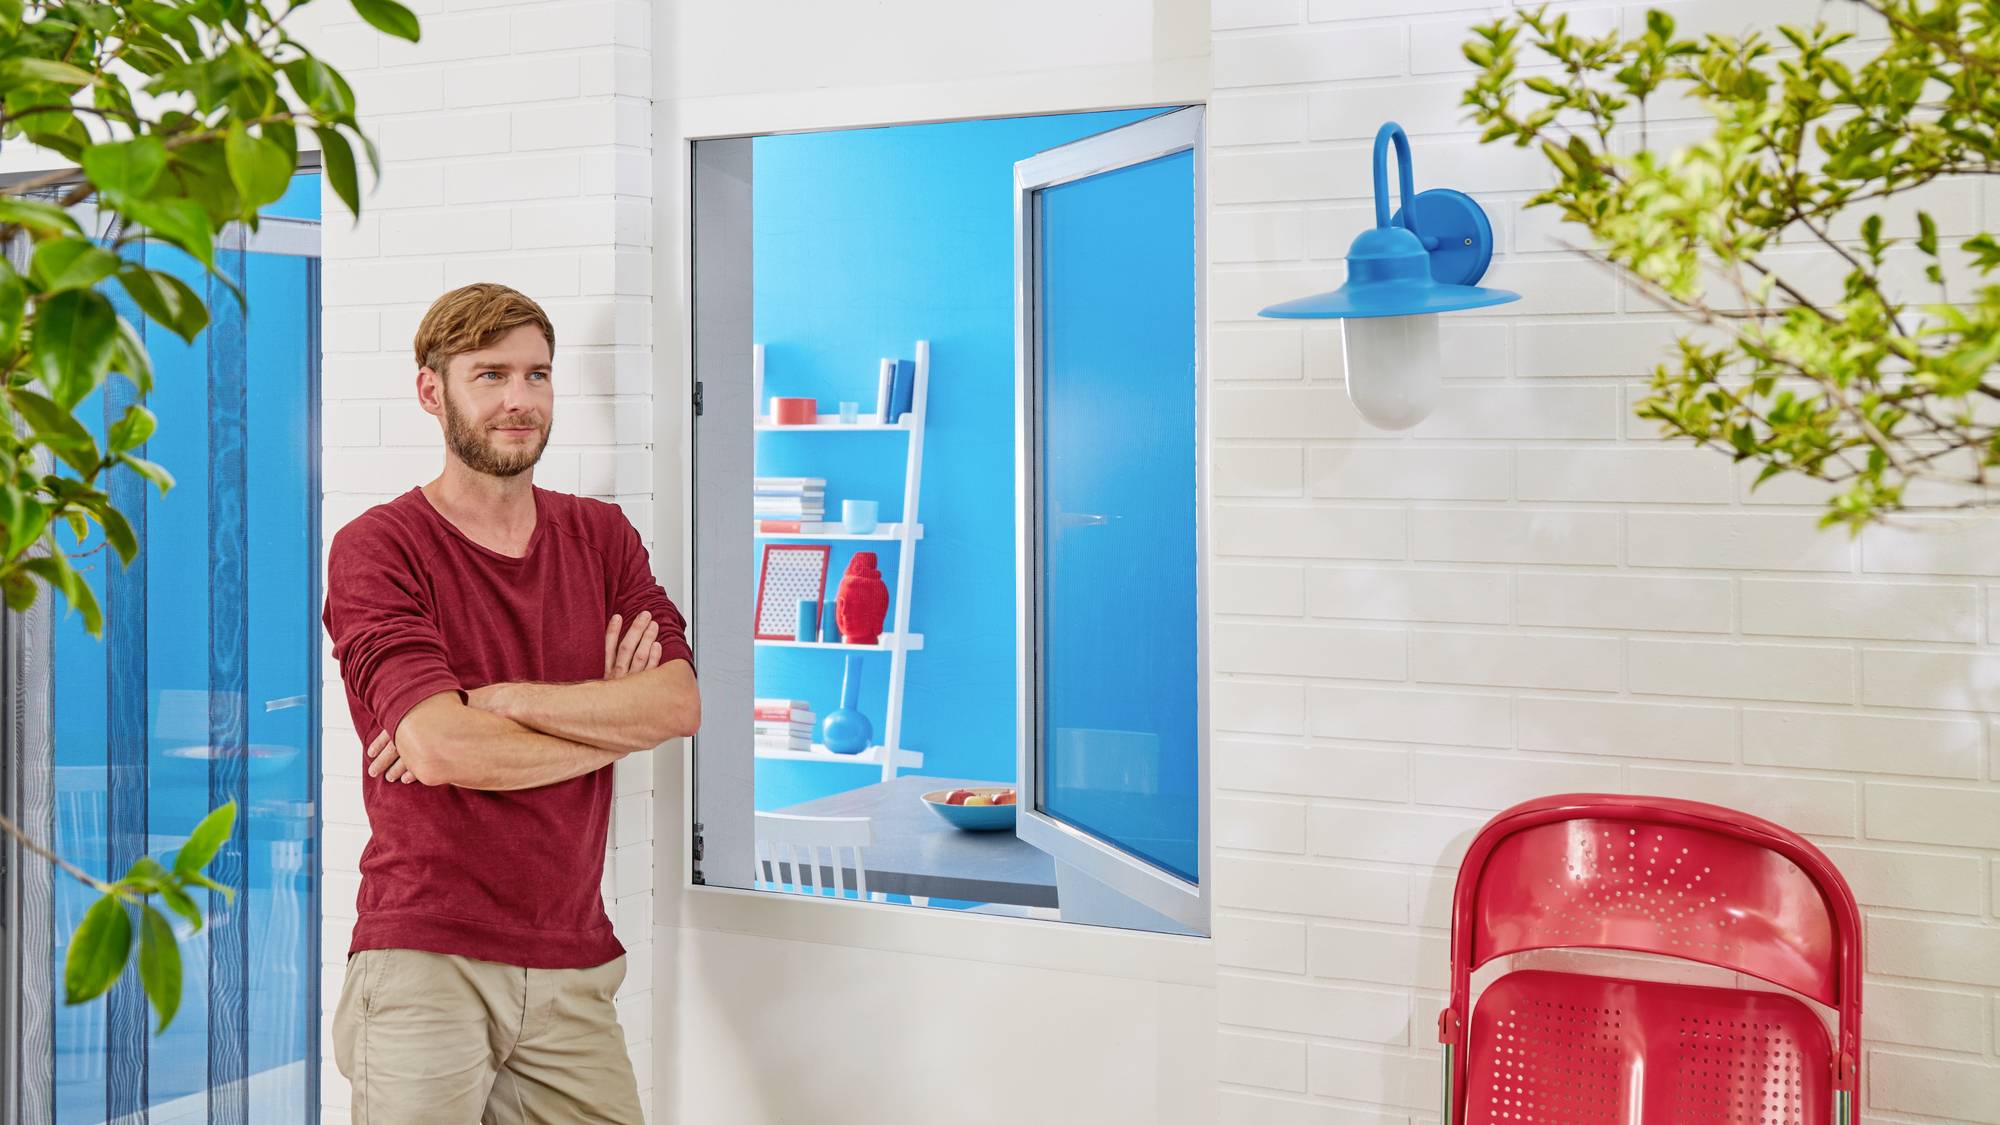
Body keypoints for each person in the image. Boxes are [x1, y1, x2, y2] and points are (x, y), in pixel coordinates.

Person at [321, 283, 698, 1124]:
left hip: (573, 963)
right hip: (425, 955)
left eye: (538, 374)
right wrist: (608, 713)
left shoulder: (601, 539)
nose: (520, 400)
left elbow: (676, 703)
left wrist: (501, 700)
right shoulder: (379, 548)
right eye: (490, 375)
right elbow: (444, 749)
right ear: (433, 392)